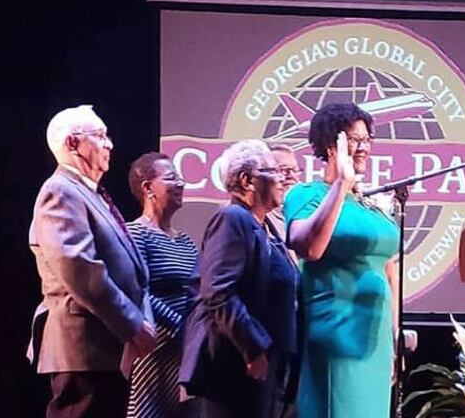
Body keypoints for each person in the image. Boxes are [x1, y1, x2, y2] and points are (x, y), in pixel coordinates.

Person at [28, 105, 156, 418]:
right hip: (83, 348)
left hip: (106, 348)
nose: (110, 144)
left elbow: (131, 267)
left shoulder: (91, 193)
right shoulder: (59, 191)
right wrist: (131, 323)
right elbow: (80, 268)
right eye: (100, 136)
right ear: (72, 144)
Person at [284, 103, 399, 418]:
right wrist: (340, 186)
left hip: (374, 341)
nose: (362, 147)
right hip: (337, 335)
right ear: (329, 144)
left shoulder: (372, 205)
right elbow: (309, 248)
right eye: (352, 139)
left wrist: (394, 337)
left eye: (366, 139)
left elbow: (390, 269)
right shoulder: (305, 194)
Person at [179, 140, 299, 418]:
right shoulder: (232, 218)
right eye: (274, 171)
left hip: (266, 366)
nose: (282, 179)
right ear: (248, 181)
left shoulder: (265, 226)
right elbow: (218, 291)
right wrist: (253, 348)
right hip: (235, 365)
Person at [125, 152, 201, 418]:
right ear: (148, 188)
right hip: (153, 353)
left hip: (186, 354)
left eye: (180, 177)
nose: (180, 183)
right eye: (171, 178)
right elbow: (139, 290)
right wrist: (181, 326)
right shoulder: (135, 233)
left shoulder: (186, 242)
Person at [268, 143, 302, 260]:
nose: (291, 176)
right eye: (284, 170)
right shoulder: (258, 217)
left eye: (295, 170)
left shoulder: (305, 212)